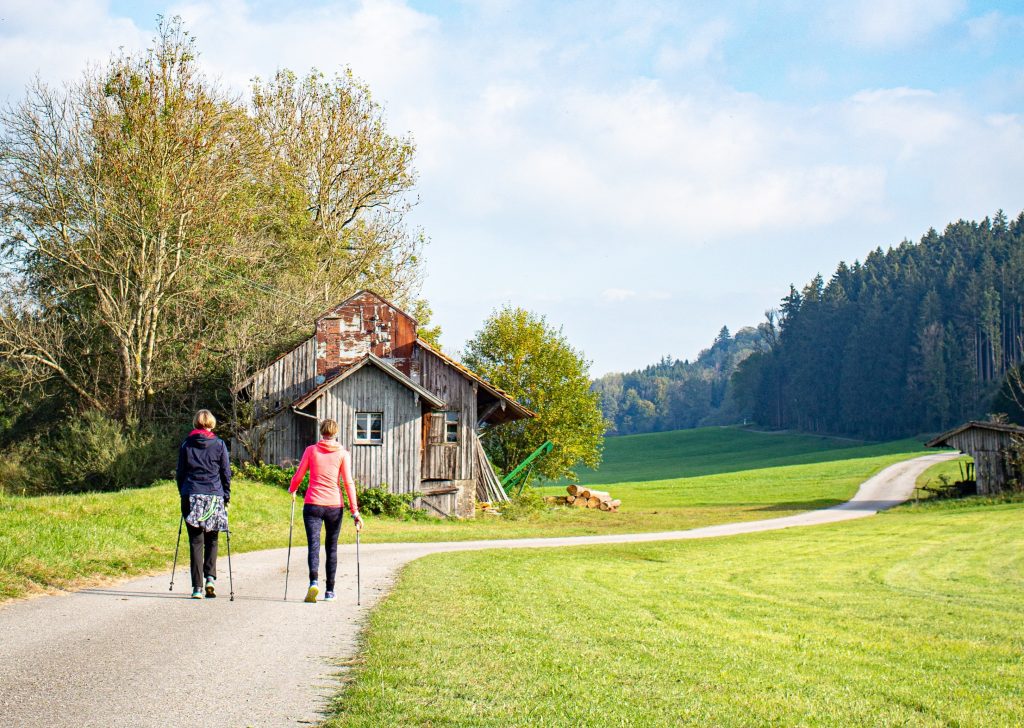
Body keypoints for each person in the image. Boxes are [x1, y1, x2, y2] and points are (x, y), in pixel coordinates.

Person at [289, 418, 363, 603]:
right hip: (334, 507)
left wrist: (292, 488)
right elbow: (348, 482)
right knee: (331, 548)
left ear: (321, 432)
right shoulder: (343, 454)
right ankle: (330, 591)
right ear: (336, 432)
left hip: (313, 504)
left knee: (313, 545)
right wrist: (355, 511)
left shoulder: (311, 450)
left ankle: (313, 582)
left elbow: (299, 475)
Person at [176, 409, 231, 600]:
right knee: (212, 539)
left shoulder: (186, 444)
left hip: (191, 494)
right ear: (212, 424)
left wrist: (183, 491)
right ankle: (210, 578)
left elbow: (180, 472)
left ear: (195, 423)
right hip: (214, 496)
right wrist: (227, 496)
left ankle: (197, 588)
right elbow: (225, 472)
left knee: (196, 541)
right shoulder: (219, 444)